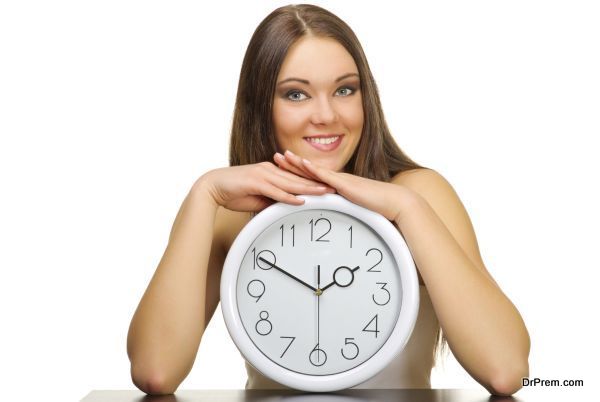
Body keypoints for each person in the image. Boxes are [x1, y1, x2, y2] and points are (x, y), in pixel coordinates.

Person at [126, 3, 530, 397]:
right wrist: (204, 193)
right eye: (296, 95)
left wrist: (405, 209)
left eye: (344, 89)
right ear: (261, 106)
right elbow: (155, 371)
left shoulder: (420, 194)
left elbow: (505, 370)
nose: (326, 115)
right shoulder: (232, 217)